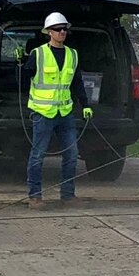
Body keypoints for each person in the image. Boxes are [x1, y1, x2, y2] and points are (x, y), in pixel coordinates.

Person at [23, 12, 93, 208]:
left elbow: (77, 82)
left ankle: (67, 195)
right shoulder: (38, 54)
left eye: (64, 28)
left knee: (71, 154)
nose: (62, 31)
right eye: (58, 29)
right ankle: (35, 196)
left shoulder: (72, 54)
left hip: (65, 113)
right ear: (49, 32)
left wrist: (85, 104)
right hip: (42, 113)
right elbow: (22, 80)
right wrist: (20, 64)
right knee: (38, 155)